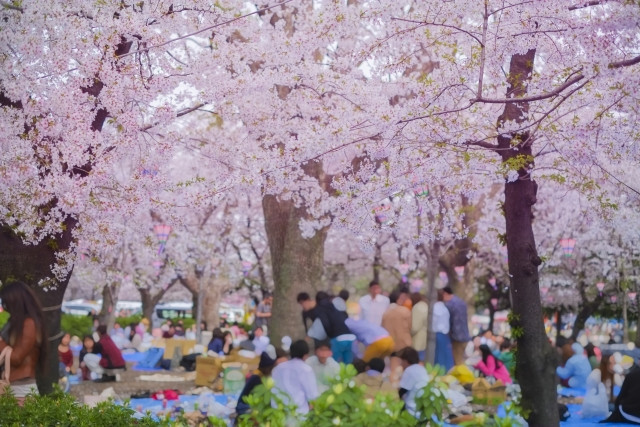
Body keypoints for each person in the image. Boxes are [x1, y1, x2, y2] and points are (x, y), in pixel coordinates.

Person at [0, 281, 47, 401]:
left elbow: (16, 357)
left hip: (21, 389)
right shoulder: (15, 324)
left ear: (16, 302)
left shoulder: (29, 324)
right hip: (12, 386)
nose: (5, 307)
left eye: (7, 303)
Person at [272, 339, 319, 414]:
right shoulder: (306, 369)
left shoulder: (278, 368)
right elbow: (313, 397)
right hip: (298, 413)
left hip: (277, 412)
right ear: (305, 355)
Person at [235, 348, 279, 421]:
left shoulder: (265, 379)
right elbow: (242, 401)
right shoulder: (256, 378)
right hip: (246, 407)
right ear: (267, 368)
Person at [381, 290, 412, 386]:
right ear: (398, 300)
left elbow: (382, 327)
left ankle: (393, 385)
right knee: (406, 367)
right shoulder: (405, 311)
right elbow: (411, 326)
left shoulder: (386, 313)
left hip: (391, 343)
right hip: (404, 343)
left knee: (393, 368)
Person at [398, 347, 430, 419]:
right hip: (424, 407)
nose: (401, 364)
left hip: (412, 410)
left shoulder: (409, 370)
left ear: (405, 361)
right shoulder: (421, 368)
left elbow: (402, 391)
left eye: (401, 361)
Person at [442, 286, 471, 366]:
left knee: (456, 361)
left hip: (456, 338)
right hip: (465, 335)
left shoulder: (449, 305)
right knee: (460, 359)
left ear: (445, 294)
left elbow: (450, 322)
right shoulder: (461, 302)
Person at [432, 289, 454, 372]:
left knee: (439, 357)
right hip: (444, 335)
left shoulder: (435, 308)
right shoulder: (444, 308)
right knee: (445, 357)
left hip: (437, 334)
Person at [410, 293, 428, 361]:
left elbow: (415, 327)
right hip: (425, 338)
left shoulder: (417, 307)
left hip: (418, 339)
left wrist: (409, 334)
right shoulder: (426, 306)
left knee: (418, 359)